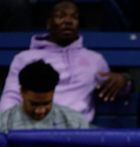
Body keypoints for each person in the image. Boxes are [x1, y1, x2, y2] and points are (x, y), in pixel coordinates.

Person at [0, 1, 130, 123]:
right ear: (48, 23)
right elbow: (11, 96)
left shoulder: (95, 59)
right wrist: (8, 127)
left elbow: (115, 87)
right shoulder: (25, 58)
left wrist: (124, 80)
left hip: (79, 131)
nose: (68, 21)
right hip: (36, 127)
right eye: (60, 16)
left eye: (74, 17)